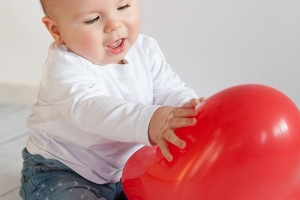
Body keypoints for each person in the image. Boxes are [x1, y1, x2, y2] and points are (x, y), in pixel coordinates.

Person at [20, 0, 203, 199]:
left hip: (129, 170)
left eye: (123, 7)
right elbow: (92, 110)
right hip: (63, 168)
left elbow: (169, 89)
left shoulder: (146, 49)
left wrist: (189, 111)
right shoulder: (63, 67)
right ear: (57, 30)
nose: (114, 24)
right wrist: (151, 121)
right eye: (93, 19)